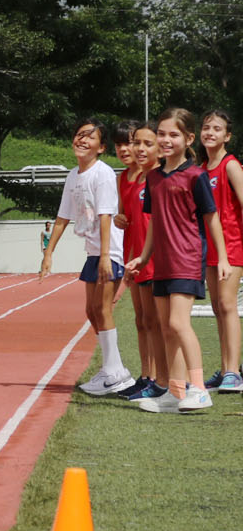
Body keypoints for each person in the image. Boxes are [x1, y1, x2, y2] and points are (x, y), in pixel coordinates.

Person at [125, 108, 231, 413]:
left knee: (177, 322)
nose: (166, 140)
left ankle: (198, 389)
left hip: (187, 258)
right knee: (166, 327)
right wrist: (143, 258)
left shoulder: (196, 176)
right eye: (161, 133)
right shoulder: (153, 178)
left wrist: (221, 258)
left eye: (173, 134)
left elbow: (212, 219)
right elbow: (155, 221)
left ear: (188, 139)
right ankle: (175, 391)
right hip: (162, 263)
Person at [40, 118, 136, 396]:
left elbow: (106, 215)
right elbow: (62, 217)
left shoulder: (102, 173)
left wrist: (107, 255)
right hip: (94, 250)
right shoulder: (73, 175)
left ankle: (116, 373)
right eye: (78, 135)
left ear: (101, 147)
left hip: (109, 250)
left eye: (89, 137)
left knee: (102, 309)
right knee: (91, 311)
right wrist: (48, 253)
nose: (81, 140)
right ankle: (113, 369)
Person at [114, 121, 167, 402]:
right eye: (125, 144)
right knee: (141, 320)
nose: (129, 149)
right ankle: (147, 375)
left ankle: (161, 378)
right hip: (132, 253)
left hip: (152, 255)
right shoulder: (123, 179)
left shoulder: (157, 176)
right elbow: (124, 216)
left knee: (156, 320)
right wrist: (118, 219)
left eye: (134, 142)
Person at [199, 109, 243, 393]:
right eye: (206, 127)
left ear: (227, 136)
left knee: (227, 305)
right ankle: (229, 368)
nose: (210, 132)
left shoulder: (230, 165)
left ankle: (232, 372)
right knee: (217, 307)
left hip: (233, 245)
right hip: (209, 249)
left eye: (217, 129)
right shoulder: (201, 170)